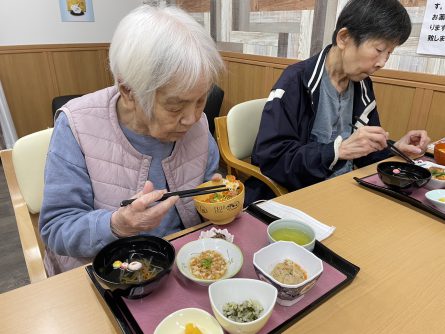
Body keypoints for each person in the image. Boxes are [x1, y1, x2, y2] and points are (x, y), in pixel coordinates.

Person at [39, 5, 224, 276]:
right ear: (128, 91)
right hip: (105, 274)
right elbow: (56, 229)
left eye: (201, 100)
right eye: (175, 106)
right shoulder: (76, 125)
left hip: (185, 262)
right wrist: (117, 225)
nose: (192, 118)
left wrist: (216, 202)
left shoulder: (198, 123)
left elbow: (208, 188)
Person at [247, 0, 430, 204]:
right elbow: (273, 159)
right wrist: (336, 151)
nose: (382, 63)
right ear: (344, 38)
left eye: (389, 53)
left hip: (348, 188)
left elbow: (364, 152)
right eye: (379, 50)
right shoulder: (296, 81)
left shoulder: (362, 85)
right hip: (301, 195)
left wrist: (395, 148)